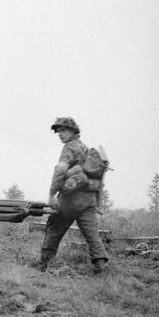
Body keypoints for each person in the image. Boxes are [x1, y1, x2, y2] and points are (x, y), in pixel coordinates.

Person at [34, 117, 110, 273]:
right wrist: (96, 202)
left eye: (64, 130)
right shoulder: (85, 148)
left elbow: (60, 170)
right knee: (92, 235)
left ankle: (43, 264)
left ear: (74, 131)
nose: (60, 134)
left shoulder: (70, 147)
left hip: (71, 201)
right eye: (58, 131)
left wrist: (51, 194)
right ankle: (101, 267)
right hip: (88, 200)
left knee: (54, 228)